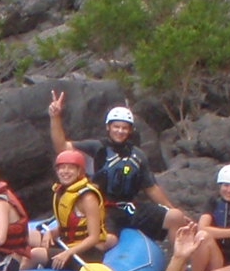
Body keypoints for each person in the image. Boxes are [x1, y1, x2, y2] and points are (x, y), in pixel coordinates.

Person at [52, 94, 179, 241]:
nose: (120, 131)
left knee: (175, 217)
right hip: (103, 208)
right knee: (109, 240)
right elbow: (62, 147)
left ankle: (179, 260)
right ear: (108, 127)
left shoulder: (138, 155)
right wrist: (55, 117)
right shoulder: (97, 148)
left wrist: (171, 207)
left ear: (130, 130)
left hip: (129, 206)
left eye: (124, 128)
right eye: (116, 127)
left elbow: (151, 188)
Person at [36, 146, 111, 266]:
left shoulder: (88, 198)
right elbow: (67, 228)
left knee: (35, 254)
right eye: (62, 168)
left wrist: (68, 253)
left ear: (79, 171)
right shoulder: (62, 192)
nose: (65, 171)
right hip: (68, 243)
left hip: (88, 252)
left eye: (70, 168)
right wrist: (50, 233)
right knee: (29, 237)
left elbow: (94, 237)